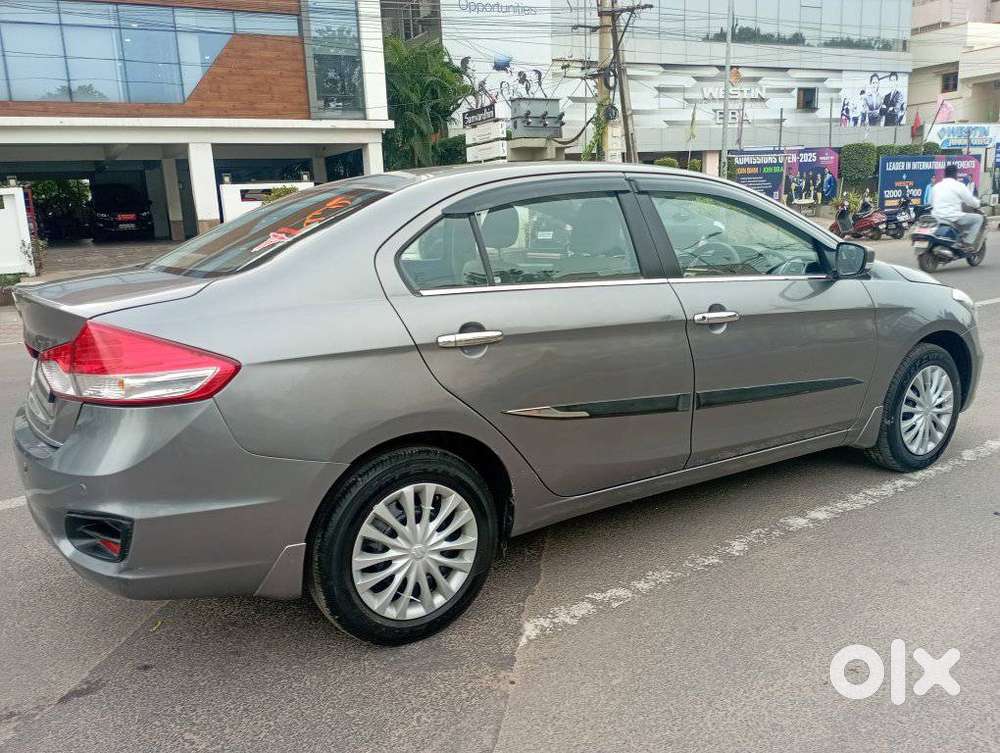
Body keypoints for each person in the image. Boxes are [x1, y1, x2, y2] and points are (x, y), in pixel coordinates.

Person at [931, 163, 983, 253]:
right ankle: (967, 244)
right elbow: (970, 201)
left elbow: (931, 202)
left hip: (936, 217)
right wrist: (978, 204)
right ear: (955, 174)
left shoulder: (936, 186)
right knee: (978, 218)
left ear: (945, 174)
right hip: (952, 217)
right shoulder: (959, 186)